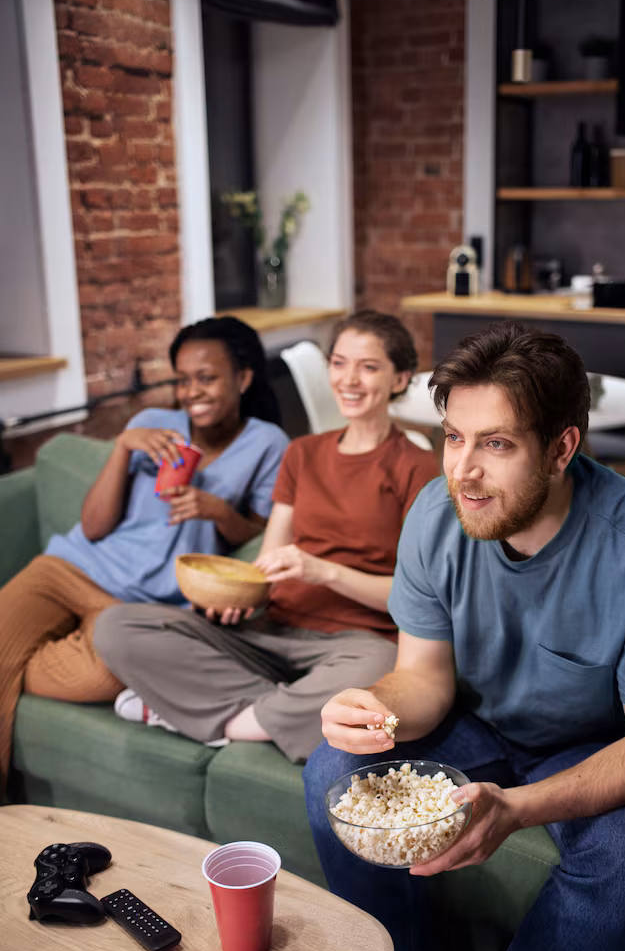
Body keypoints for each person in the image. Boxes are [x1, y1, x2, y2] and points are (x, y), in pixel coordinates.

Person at [302, 321, 625, 951]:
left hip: (596, 745)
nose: (464, 470)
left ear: (562, 448)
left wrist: (517, 809)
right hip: (473, 725)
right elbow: (423, 679)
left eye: (496, 444)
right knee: (332, 773)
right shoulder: (436, 515)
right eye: (454, 438)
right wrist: (373, 706)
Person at [94, 310, 440, 762]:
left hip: (356, 644)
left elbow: (416, 600)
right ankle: (282, 712)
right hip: (271, 631)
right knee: (117, 627)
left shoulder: (418, 467)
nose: (349, 380)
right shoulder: (302, 453)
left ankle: (221, 721)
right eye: (339, 363)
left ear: (400, 379)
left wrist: (322, 571)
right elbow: (268, 562)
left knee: (381, 671)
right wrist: (236, 598)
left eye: (369, 367)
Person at [0, 316, 289, 793]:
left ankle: (14, 660)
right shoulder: (151, 425)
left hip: (137, 607)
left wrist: (218, 512)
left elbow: (262, 532)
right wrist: (122, 448)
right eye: (183, 379)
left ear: (243, 378)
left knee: (98, 678)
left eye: (207, 377)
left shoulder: (267, 443)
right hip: (68, 568)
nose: (191, 392)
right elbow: (93, 527)